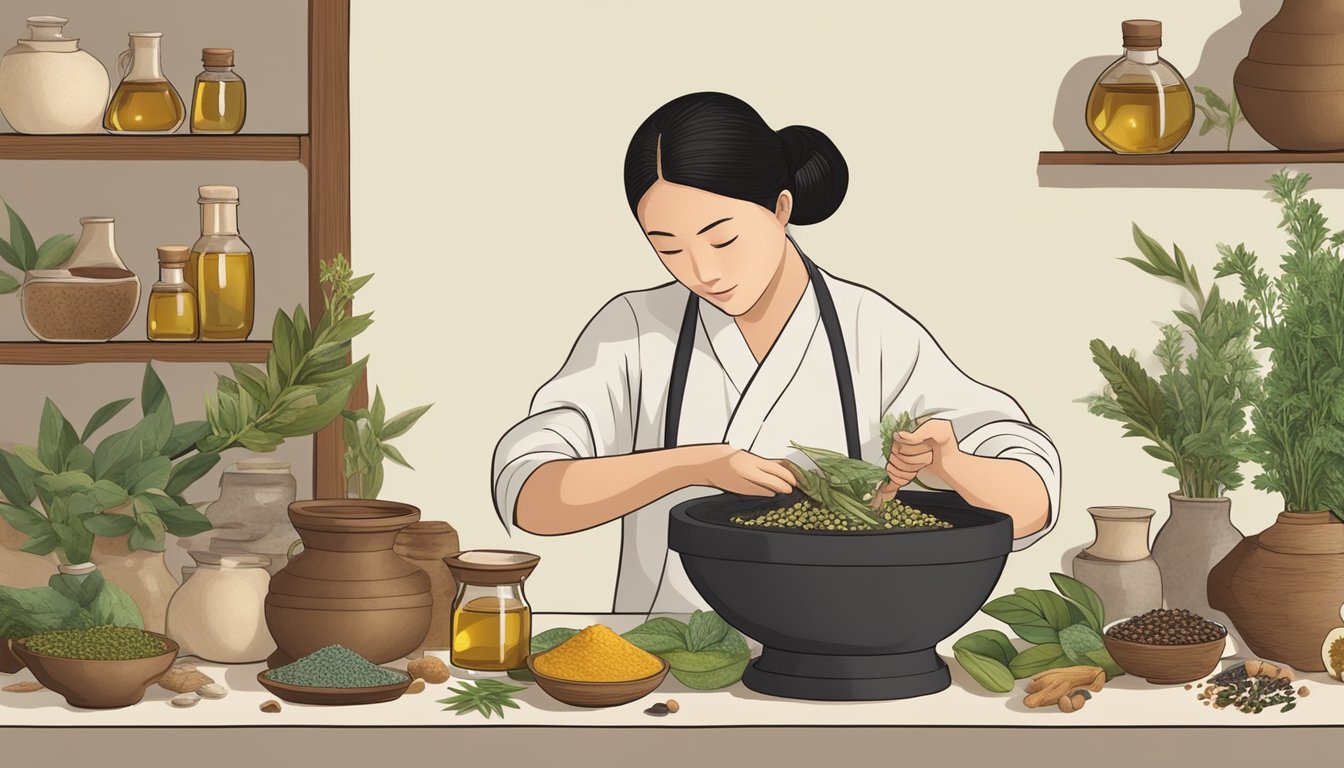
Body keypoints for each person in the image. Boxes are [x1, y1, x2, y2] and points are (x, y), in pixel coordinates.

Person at [492, 92, 1060, 614]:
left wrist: (953, 465)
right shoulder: (634, 330)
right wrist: (694, 464)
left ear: (781, 208)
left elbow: (1032, 500)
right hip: (672, 660)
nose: (703, 272)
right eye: (667, 249)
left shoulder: (873, 333)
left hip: (842, 645)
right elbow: (531, 495)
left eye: (723, 239)